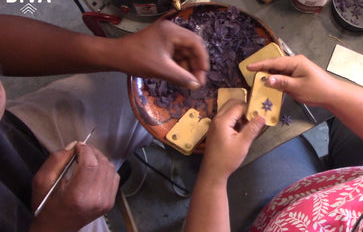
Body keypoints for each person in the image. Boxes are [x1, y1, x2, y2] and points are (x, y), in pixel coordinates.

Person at [183, 54, 363, 232]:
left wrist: (214, 176)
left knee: (239, 143)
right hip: (349, 180)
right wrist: (332, 93)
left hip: (284, 216)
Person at [0, 14, 209, 231]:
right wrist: (55, 224)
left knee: (148, 83)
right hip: (51, 223)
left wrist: (117, 51)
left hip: (21, 137)